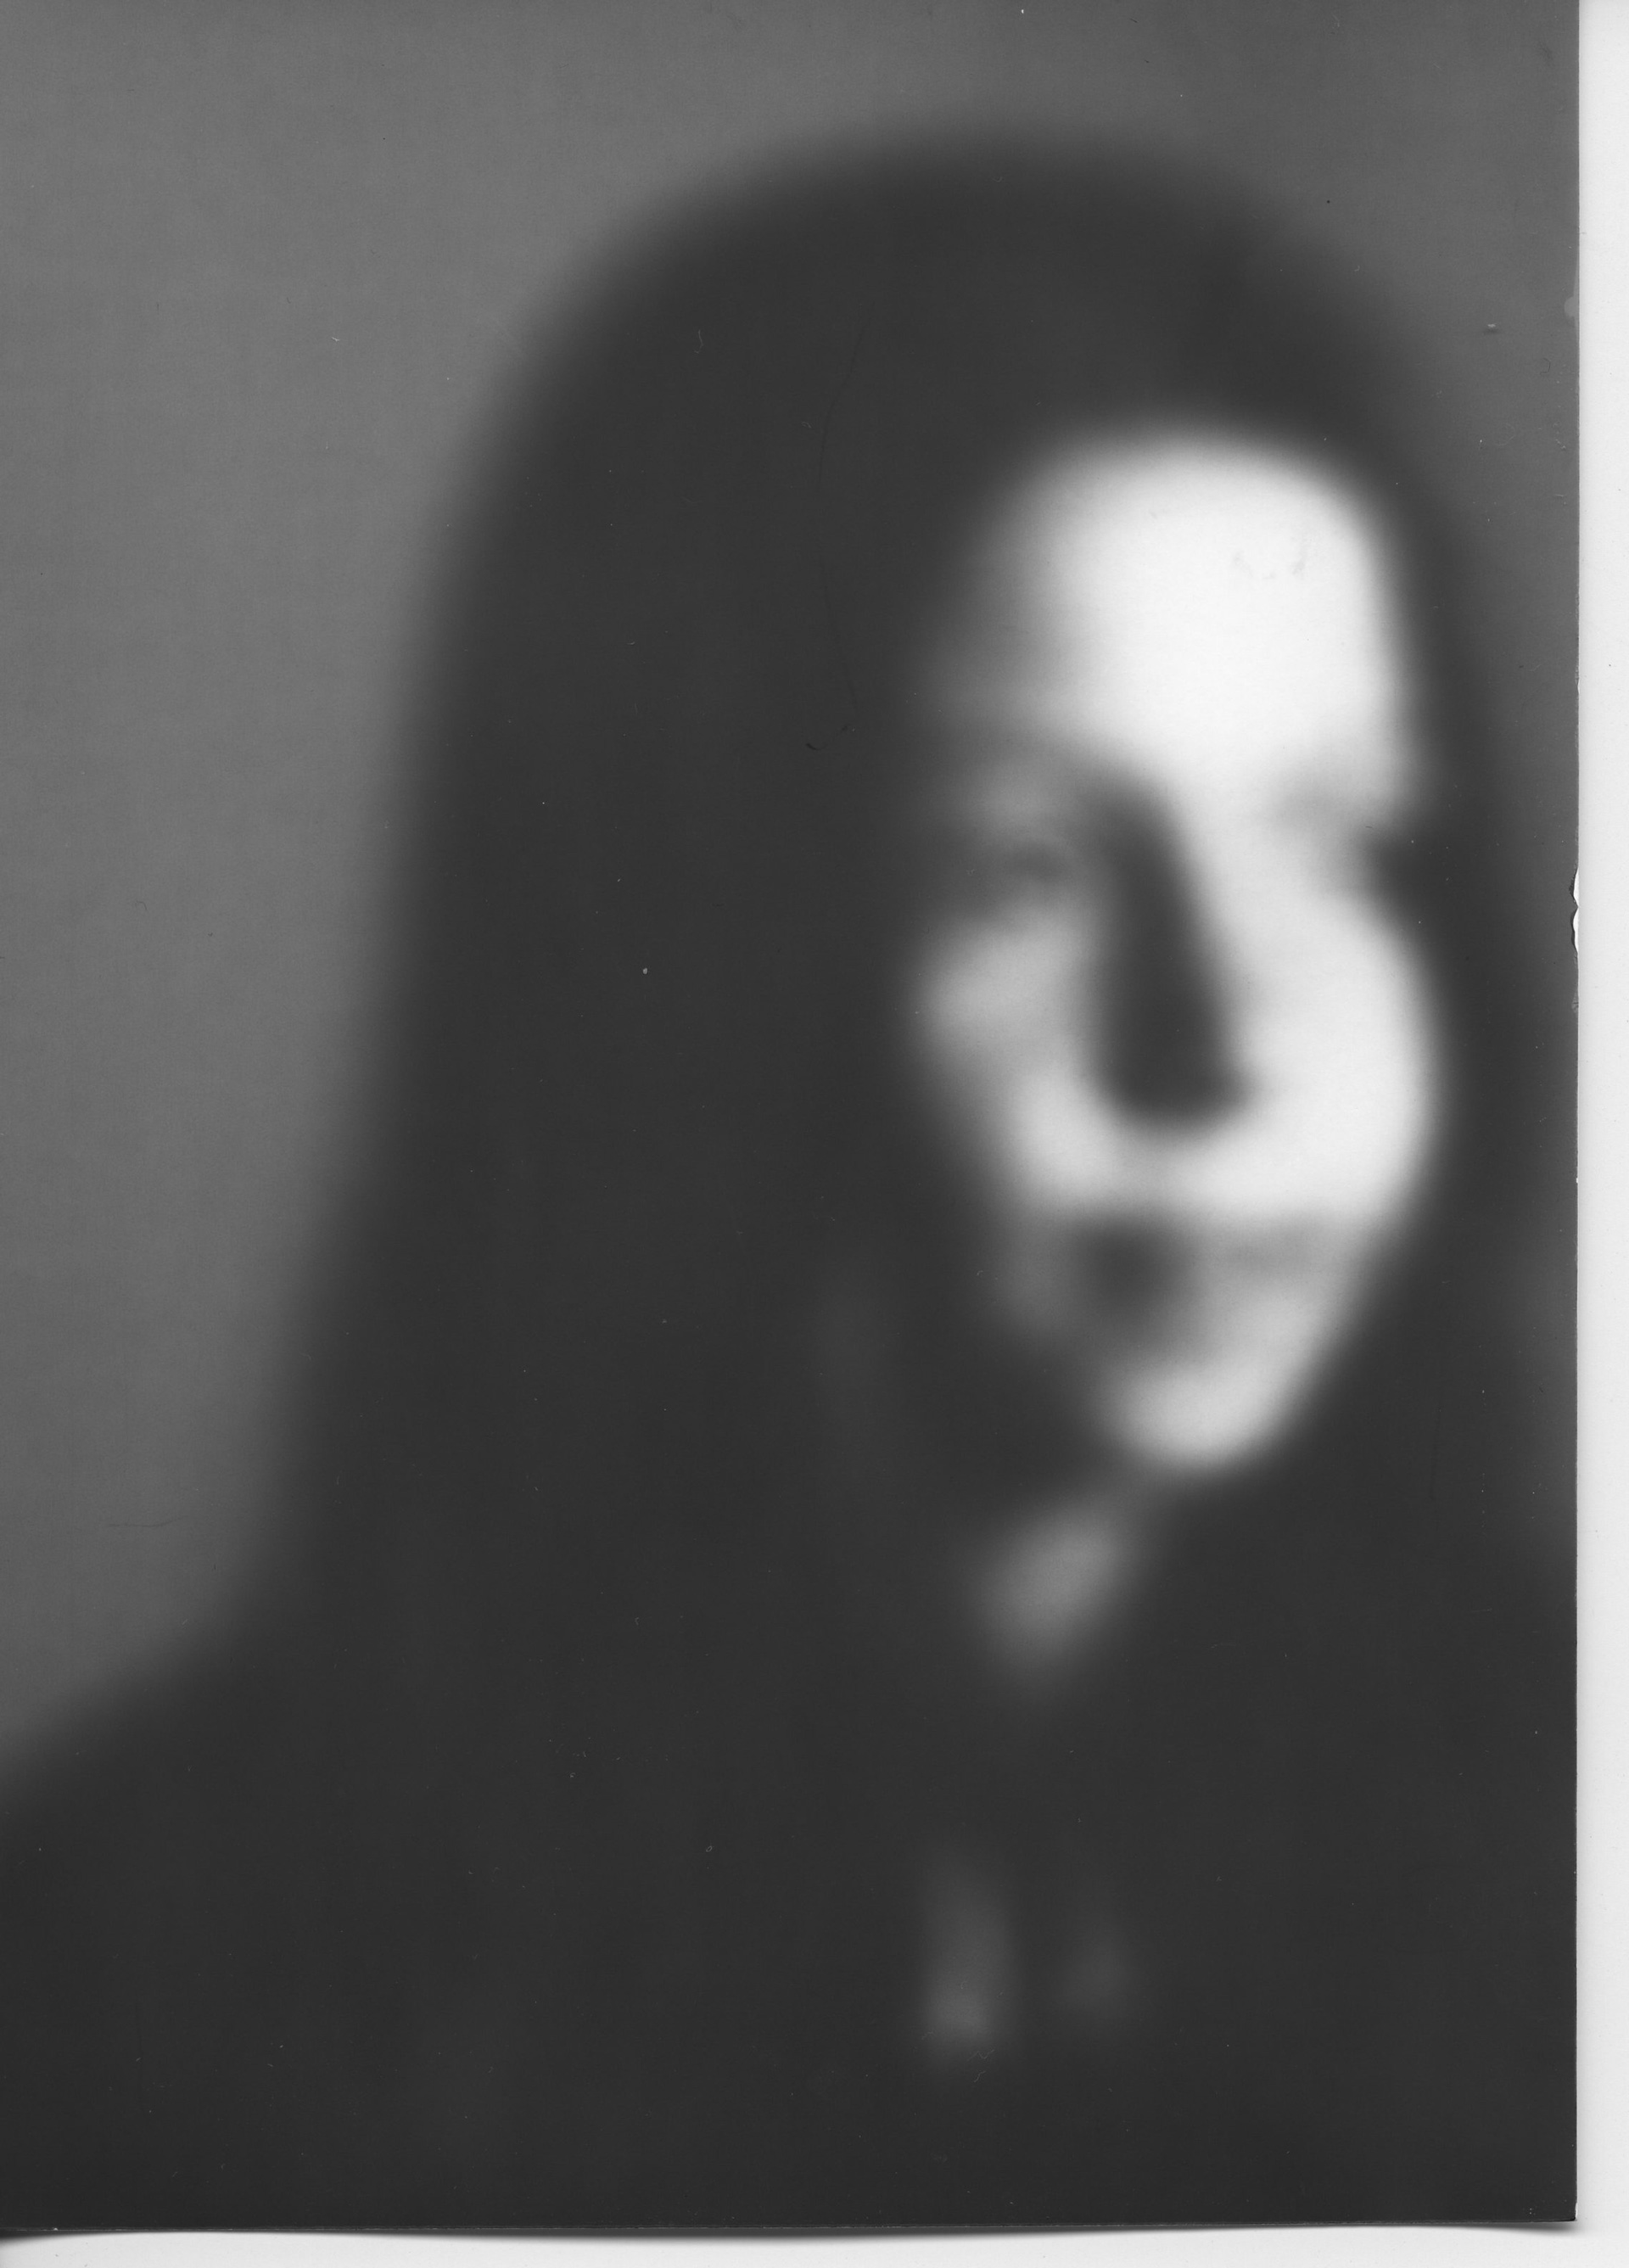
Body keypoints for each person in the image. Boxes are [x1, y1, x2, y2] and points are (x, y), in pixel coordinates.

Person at [0, 142, 1572, 2230]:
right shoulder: (142, 1975)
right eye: (1024, 867)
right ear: (696, 930)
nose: (1233, 1038)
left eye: (1345, 843)